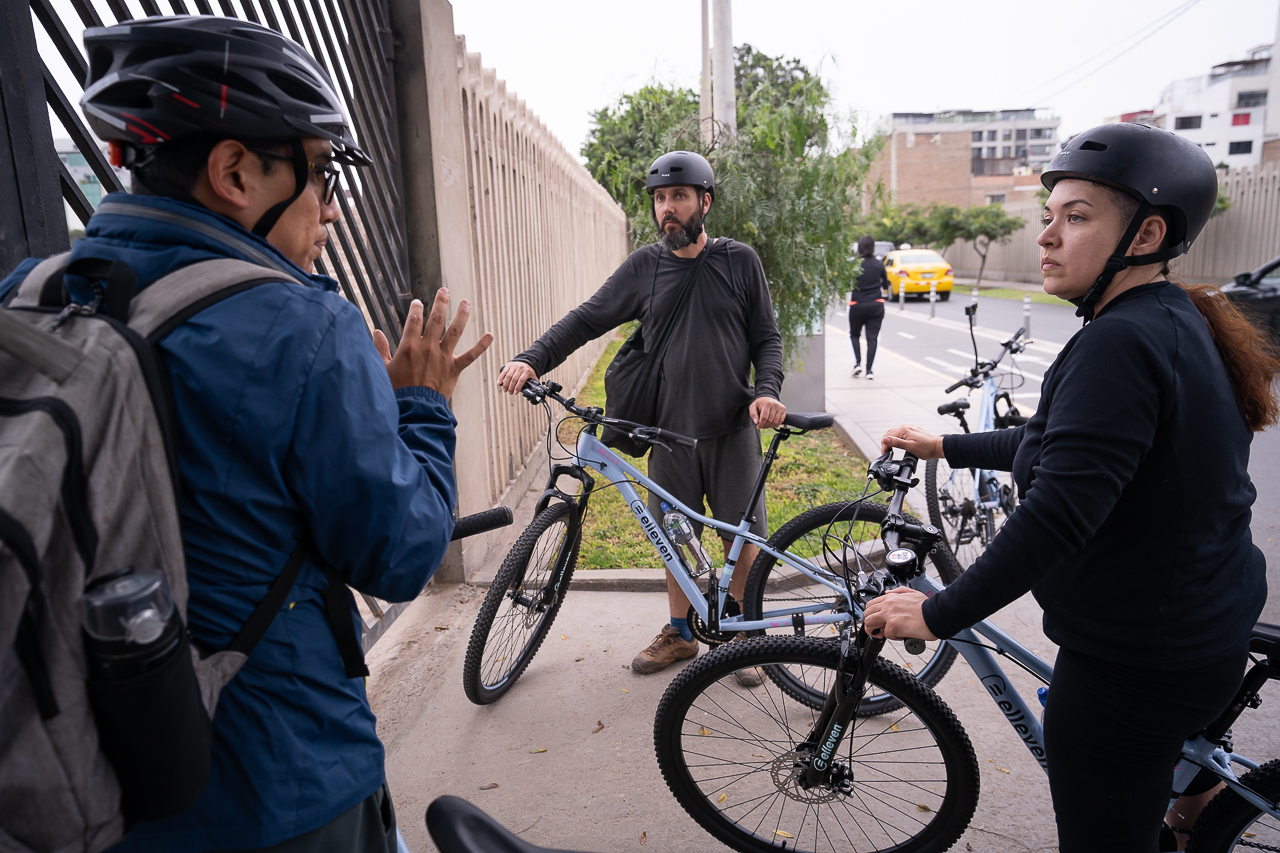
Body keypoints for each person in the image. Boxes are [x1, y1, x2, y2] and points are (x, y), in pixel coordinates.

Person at [0, 16, 491, 852]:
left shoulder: (32, 294)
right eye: (319, 173)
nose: (331, 208)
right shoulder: (301, 326)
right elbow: (402, 554)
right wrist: (421, 405)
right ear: (234, 171)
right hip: (280, 780)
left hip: (84, 769)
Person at [865, 122, 1277, 853]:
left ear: (1147, 232)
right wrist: (946, 443)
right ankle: (1196, 818)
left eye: (1077, 217)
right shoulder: (1171, 317)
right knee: (1171, 805)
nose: (1049, 236)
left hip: (1134, 665)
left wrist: (940, 612)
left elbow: (1058, 514)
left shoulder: (1117, 342)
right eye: (1048, 216)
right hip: (1198, 627)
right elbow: (1066, 447)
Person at [497, 150, 786, 678]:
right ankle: (680, 633)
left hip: (731, 429)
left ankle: (744, 637)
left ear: (705, 201)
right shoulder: (644, 269)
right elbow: (587, 319)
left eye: (678, 197)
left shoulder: (738, 261)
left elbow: (766, 338)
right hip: (668, 432)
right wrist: (531, 357)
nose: (667, 209)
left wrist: (765, 391)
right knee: (673, 534)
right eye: (659, 200)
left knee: (738, 537)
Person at [848, 234, 888, 379]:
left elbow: (847, 283)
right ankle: (869, 370)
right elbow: (886, 285)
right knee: (872, 338)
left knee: (854, 334)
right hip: (876, 304)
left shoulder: (855, 264)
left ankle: (857, 363)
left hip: (857, 304)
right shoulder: (878, 264)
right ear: (873, 247)